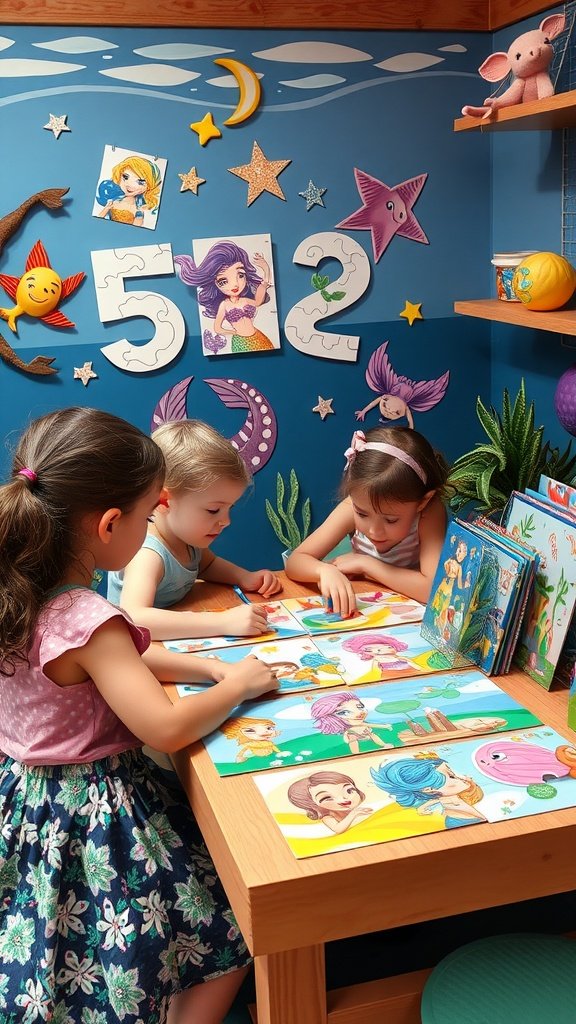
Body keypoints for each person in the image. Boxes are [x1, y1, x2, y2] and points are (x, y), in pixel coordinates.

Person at [0, 406, 278, 1022]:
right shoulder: (87, 619)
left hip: (29, 801)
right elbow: (165, 726)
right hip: (97, 812)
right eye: (152, 507)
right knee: (231, 931)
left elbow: (101, 669)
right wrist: (239, 683)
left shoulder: (21, 587)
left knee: (73, 953)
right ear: (108, 525)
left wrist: (203, 669)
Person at [108, 419, 281, 641]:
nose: (226, 521)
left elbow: (207, 565)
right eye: (213, 510)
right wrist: (222, 622)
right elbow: (136, 618)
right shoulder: (148, 555)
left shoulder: (188, 540)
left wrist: (244, 577)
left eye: (229, 508)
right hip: (134, 652)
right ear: (163, 500)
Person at [285, 425, 449, 617]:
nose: (374, 531)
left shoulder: (430, 512)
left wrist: (365, 564)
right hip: (368, 605)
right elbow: (295, 561)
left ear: (423, 501)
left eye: (390, 520)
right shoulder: (351, 506)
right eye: (362, 514)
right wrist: (322, 571)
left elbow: (432, 589)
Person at [174, 240, 275, 353]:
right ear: (215, 284)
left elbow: (258, 301)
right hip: (241, 341)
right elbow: (217, 328)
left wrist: (266, 269)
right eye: (223, 281)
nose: (235, 284)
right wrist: (234, 333)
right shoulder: (224, 305)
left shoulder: (245, 300)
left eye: (240, 275)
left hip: (258, 336)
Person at [95, 153, 162, 226]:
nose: (129, 185)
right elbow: (99, 219)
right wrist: (106, 208)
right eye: (125, 177)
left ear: (148, 187)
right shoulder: (113, 201)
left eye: (140, 182)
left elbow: (137, 229)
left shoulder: (139, 209)